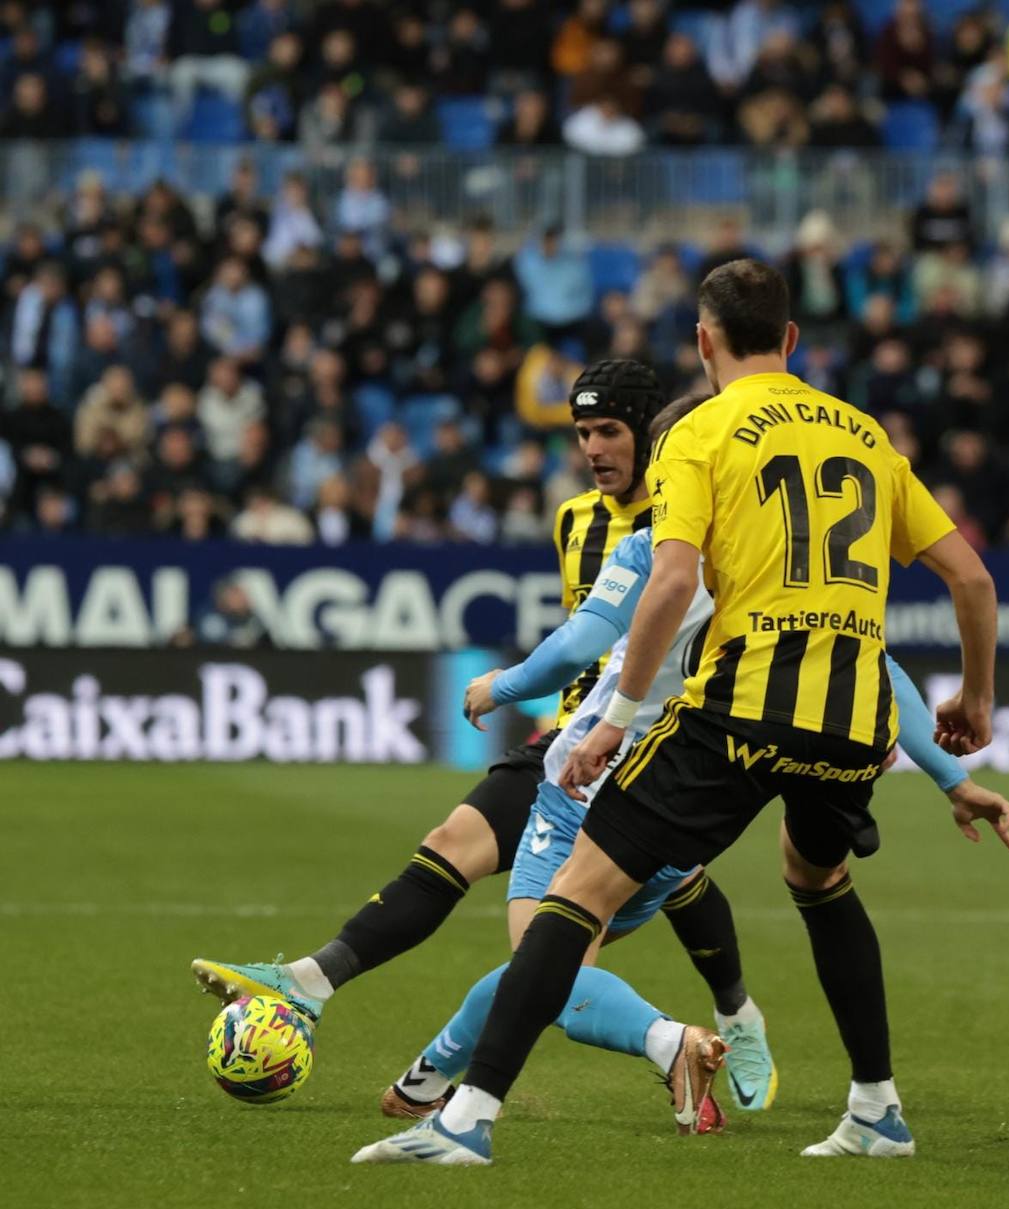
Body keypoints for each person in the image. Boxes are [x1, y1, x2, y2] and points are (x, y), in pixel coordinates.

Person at [367, 258, 1009, 1167]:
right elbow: (971, 578)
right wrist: (972, 705)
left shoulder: (698, 434)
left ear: (704, 342)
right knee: (817, 879)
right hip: (853, 720)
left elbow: (670, 580)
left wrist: (615, 716)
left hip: (744, 708)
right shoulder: (865, 435)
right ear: (791, 339)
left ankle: (465, 1121)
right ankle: (875, 1109)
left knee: (577, 894)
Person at [189, 363, 741, 1060]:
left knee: (577, 944)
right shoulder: (574, 519)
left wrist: (505, 684)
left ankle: (727, 1021)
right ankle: (316, 985)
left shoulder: (684, 530)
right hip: (574, 742)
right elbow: (584, 634)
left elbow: (583, 639)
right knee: (456, 844)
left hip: (654, 749)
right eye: (581, 434)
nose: (593, 449)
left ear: (655, 435)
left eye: (609, 431)